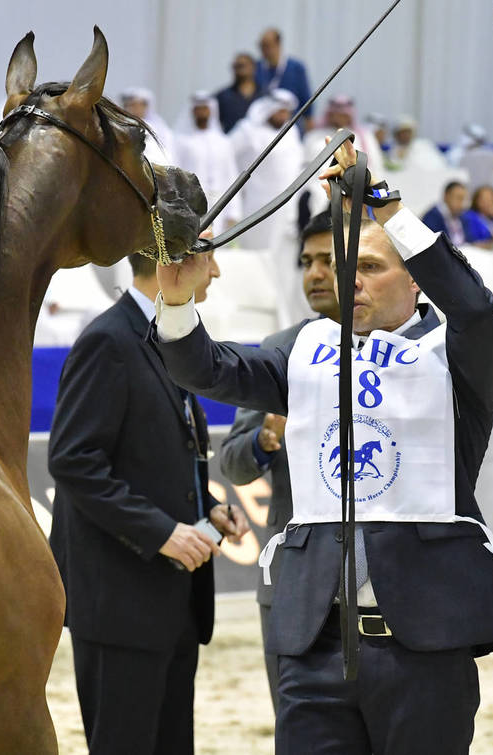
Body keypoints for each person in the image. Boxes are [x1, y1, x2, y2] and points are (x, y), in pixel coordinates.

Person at [151, 137, 493, 754]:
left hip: (426, 643)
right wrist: (174, 300)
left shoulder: (462, 356)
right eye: (345, 268)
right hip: (314, 644)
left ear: (415, 278)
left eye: (371, 266)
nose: (349, 281)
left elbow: (481, 313)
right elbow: (205, 369)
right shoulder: (302, 347)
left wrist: (388, 211)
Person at [48, 249, 249, 755]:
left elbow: (156, 453)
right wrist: (162, 532)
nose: (219, 271)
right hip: (121, 599)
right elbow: (74, 461)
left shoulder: (167, 337)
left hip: (171, 597)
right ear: (176, 261)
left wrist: (206, 509)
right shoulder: (107, 341)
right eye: (211, 255)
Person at [219, 210, 340, 713]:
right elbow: (232, 465)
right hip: (294, 581)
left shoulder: (416, 350)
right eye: (307, 261)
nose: (313, 273)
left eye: (329, 261)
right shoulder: (282, 351)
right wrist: (265, 441)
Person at [227, 89, 306, 326]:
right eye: (280, 110)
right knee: (259, 265)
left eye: (287, 111)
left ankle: (284, 320)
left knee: (284, 268)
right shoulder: (247, 131)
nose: (284, 115)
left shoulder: (291, 132)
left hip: (288, 215)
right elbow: (225, 160)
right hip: (257, 211)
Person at [173, 92, 241, 234]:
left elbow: (231, 175)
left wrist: (234, 211)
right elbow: (175, 175)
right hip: (190, 205)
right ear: (193, 111)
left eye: (205, 108)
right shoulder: (181, 141)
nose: (202, 112)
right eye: (198, 108)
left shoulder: (223, 142)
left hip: (219, 203)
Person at [255, 28, 312, 130]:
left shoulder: (296, 68)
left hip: (291, 123)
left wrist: (309, 123)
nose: (264, 50)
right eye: (261, 46)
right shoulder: (256, 68)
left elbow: (305, 99)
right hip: (263, 124)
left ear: (278, 45)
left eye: (267, 45)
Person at [119, 88, 175, 164]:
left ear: (145, 106)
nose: (130, 108)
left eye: (134, 105)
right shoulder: (121, 125)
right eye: (127, 105)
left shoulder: (160, 127)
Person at [213, 53, 259, 134]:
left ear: (253, 67)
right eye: (238, 66)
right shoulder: (222, 96)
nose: (241, 69)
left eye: (244, 65)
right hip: (231, 143)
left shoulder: (265, 96)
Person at [422, 180, 469, 245]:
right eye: (458, 198)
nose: (462, 204)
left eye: (464, 199)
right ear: (446, 196)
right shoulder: (433, 217)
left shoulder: (460, 216)